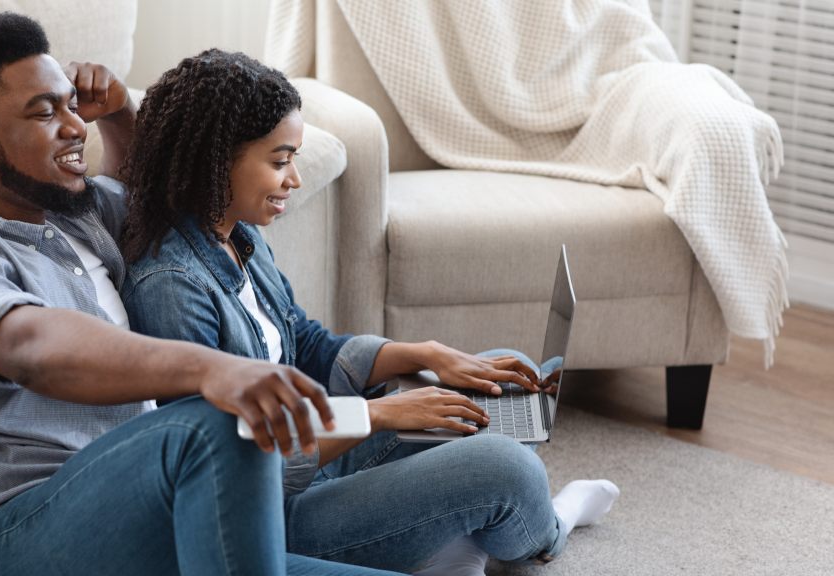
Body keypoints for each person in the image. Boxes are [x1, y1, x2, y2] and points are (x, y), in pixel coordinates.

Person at [0, 14, 405, 576]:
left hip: (132, 512)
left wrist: (117, 111)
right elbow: (29, 345)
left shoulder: (77, 218)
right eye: (44, 112)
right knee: (213, 426)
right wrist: (214, 370)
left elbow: (162, 192)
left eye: (71, 105)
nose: (73, 127)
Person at [121, 49, 620, 575]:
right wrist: (379, 414)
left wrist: (427, 356)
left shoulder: (236, 235)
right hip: (274, 513)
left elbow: (305, 343)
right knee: (507, 468)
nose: (293, 179)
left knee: (500, 379)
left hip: (322, 460)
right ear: (215, 162)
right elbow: (228, 459)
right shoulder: (172, 287)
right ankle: (550, 528)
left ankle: (452, 548)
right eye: (279, 160)